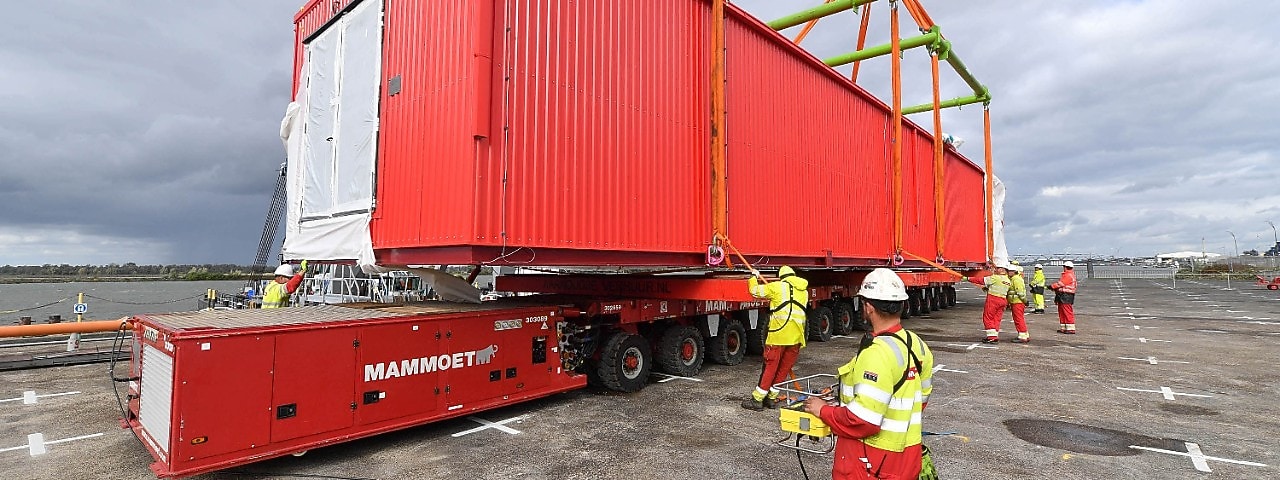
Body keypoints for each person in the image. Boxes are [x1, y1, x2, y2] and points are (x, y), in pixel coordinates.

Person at [804, 268, 934, 479]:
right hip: (906, 459)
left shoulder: (876, 353)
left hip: (872, 463)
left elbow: (863, 421)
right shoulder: (917, 345)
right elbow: (920, 400)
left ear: (869, 307)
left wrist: (823, 410)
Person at [743, 265, 809, 410]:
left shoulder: (777, 287)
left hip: (778, 336)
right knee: (783, 369)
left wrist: (754, 276)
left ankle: (757, 400)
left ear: (781, 277)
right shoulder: (804, 292)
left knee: (770, 368)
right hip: (796, 338)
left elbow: (754, 291)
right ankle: (771, 399)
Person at [969, 263, 1011, 343]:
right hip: (1003, 300)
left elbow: (982, 280)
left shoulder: (996, 278)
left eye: (998, 268)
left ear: (1003, 269)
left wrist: (968, 278)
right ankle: (995, 334)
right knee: (997, 318)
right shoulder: (1007, 280)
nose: (996, 269)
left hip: (993, 299)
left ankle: (991, 337)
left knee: (988, 317)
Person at [1050, 261, 1078, 333]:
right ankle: (1064, 327)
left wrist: (1052, 286)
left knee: (1067, 311)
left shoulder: (1068, 275)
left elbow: (1061, 284)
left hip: (1066, 295)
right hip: (1064, 295)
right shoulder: (1069, 275)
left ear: (1065, 267)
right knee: (1062, 311)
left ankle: (1070, 328)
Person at [1007, 264, 1030, 343]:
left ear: (1014, 271)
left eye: (1009, 271)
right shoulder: (1016, 278)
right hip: (1017, 302)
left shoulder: (1015, 279)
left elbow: (1020, 292)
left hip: (1017, 302)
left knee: (1018, 319)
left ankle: (1022, 336)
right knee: (1019, 318)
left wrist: (1025, 301)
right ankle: (1025, 334)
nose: (1008, 272)